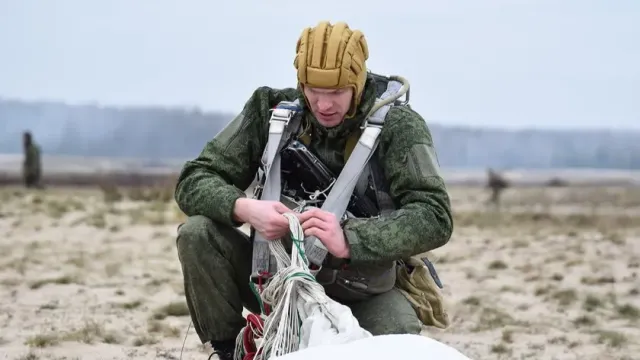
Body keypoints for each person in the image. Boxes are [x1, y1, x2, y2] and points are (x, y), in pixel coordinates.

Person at [174, 21, 453, 360]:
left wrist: (349, 239)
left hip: (360, 288)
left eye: (336, 92)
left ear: (357, 82)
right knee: (197, 233)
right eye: (312, 90)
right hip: (272, 278)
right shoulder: (271, 112)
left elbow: (434, 215)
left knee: (397, 343)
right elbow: (194, 179)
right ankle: (231, 352)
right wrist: (245, 208)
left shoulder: (398, 126)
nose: (322, 104)